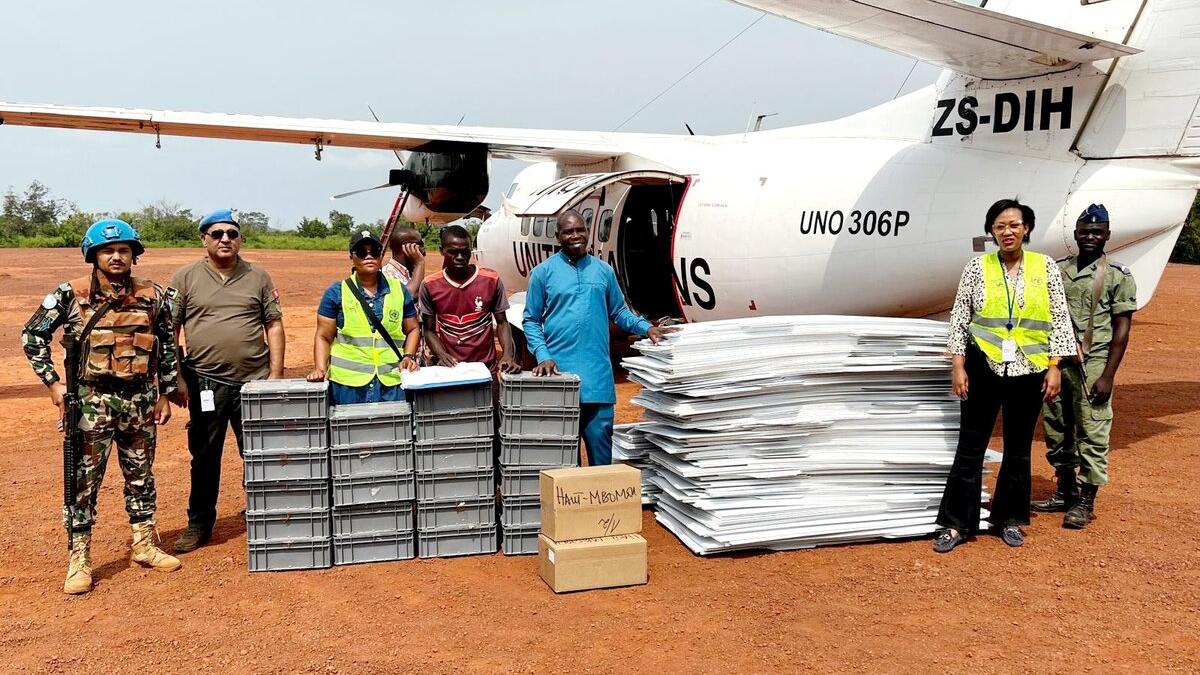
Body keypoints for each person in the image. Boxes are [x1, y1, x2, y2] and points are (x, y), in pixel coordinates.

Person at [22, 219, 182, 594]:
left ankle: (143, 544)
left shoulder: (154, 295)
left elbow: (168, 345)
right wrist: (53, 384)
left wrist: (165, 393)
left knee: (141, 475)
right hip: (91, 401)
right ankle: (79, 557)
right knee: (83, 481)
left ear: (134, 256)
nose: (116, 256)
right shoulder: (69, 295)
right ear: (93, 256)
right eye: (108, 251)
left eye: (124, 250)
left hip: (140, 400)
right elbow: (32, 335)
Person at [933, 198, 1075, 553]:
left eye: (1014, 224)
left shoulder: (1045, 268)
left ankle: (1009, 519)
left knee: (1017, 448)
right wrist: (958, 364)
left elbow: (1059, 316)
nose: (1007, 232)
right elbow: (959, 316)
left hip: (1030, 367)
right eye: (999, 226)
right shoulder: (977, 268)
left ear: (1026, 228)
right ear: (991, 232)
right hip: (984, 364)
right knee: (970, 447)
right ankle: (955, 523)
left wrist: (1055, 366)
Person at [170, 208, 286, 553]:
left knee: (258, 453)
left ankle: (265, 515)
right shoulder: (185, 278)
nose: (225, 240)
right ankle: (199, 524)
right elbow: (171, 330)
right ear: (204, 238)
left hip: (254, 381)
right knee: (205, 456)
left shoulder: (258, 276)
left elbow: (274, 325)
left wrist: (276, 376)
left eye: (232, 234)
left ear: (241, 240)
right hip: (206, 381)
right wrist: (177, 377)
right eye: (217, 234)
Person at [523, 210, 677, 466]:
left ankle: (599, 507)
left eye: (580, 230)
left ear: (587, 232)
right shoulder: (543, 273)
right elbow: (531, 319)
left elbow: (619, 311)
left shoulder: (603, 271)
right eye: (568, 232)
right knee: (563, 461)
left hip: (598, 381)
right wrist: (543, 355)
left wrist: (646, 328)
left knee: (601, 457)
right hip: (559, 380)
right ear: (558, 237)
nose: (575, 236)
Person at [1034, 204, 1137, 529]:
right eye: (1084, 232)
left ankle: (1086, 500)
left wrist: (1108, 375)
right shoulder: (1058, 271)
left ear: (1107, 235)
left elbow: (1122, 328)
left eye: (1096, 232)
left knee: (1092, 431)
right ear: (1075, 234)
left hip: (1093, 364)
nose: (1090, 237)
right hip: (1058, 362)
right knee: (1056, 426)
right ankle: (1065, 490)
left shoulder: (1118, 276)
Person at [307, 230, 420, 403]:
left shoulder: (399, 290)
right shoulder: (336, 293)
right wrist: (320, 369)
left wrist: (409, 356)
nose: (369, 256)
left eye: (374, 252)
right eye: (361, 252)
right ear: (351, 257)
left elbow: (412, 328)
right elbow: (323, 336)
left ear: (381, 255)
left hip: (390, 382)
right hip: (347, 386)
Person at [419, 224, 521, 374]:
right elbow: (428, 330)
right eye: (453, 252)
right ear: (442, 251)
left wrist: (507, 355)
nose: (460, 258)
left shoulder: (491, 280)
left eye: (465, 252)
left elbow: (502, 322)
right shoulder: (430, 285)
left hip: (487, 370)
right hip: (451, 370)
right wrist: (441, 354)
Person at [384, 224, 426, 300]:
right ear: (406, 247)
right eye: (420, 244)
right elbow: (409, 296)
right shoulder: (388, 274)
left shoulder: (409, 271)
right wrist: (419, 263)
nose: (423, 249)